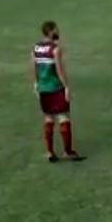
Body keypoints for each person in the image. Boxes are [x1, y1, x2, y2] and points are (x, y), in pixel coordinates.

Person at [32, 20, 84, 163]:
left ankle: (50, 152)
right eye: (56, 29)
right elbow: (59, 69)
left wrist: (36, 83)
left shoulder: (36, 48)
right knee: (63, 117)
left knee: (48, 118)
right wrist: (66, 86)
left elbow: (34, 66)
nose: (58, 31)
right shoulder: (55, 49)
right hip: (55, 87)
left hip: (43, 87)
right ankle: (68, 151)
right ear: (51, 32)